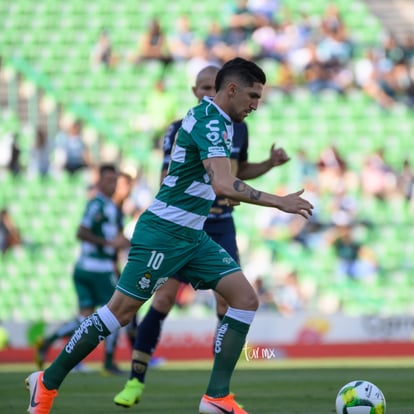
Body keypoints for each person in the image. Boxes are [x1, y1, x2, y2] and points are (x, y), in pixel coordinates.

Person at [25, 57, 313, 414]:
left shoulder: (221, 121)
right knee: (120, 313)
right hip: (163, 233)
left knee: (244, 299)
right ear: (233, 89)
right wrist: (279, 201)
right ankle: (48, 382)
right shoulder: (209, 123)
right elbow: (223, 182)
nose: (256, 104)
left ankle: (216, 397)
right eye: (252, 96)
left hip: (192, 234)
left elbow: (214, 180)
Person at [113, 64, 291, 408]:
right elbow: (175, 174)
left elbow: (238, 171)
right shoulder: (182, 127)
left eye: (213, 86)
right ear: (196, 92)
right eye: (204, 87)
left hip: (222, 223)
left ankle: (217, 389)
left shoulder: (238, 128)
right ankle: (136, 380)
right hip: (185, 222)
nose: (208, 92)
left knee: (229, 303)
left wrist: (268, 164)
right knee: (162, 300)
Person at [34, 164, 130, 375]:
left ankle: (47, 341)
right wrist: (108, 244)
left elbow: (113, 239)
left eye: (114, 180)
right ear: (98, 181)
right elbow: (81, 231)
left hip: (86, 267)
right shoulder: (98, 205)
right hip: (97, 269)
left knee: (84, 319)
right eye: (107, 180)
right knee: (115, 313)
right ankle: (108, 362)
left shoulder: (110, 206)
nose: (111, 184)